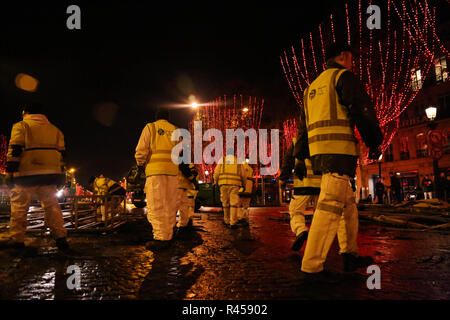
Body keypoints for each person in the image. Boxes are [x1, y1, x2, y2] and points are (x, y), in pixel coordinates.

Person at [293, 42, 384, 276]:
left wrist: (299, 158)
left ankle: (349, 254)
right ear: (343, 56)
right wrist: (374, 141)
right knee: (329, 206)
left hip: (320, 154)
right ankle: (311, 265)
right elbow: (362, 110)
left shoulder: (311, 88)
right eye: (351, 57)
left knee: (348, 206)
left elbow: (302, 128)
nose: (353, 62)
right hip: (340, 152)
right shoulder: (344, 77)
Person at [0, 103, 70, 251]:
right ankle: (61, 239)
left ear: (25, 112)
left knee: (19, 209)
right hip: (49, 177)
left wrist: (10, 173)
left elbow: (15, 150)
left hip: (26, 175)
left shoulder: (21, 126)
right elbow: (63, 156)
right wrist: (61, 174)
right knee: (52, 208)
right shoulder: (55, 130)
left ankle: (17, 241)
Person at [135, 108, 179, 250]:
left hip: (155, 172)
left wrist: (140, 165)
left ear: (157, 117)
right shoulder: (176, 130)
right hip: (172, 172)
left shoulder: (150, 127)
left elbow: (142, 149)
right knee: (170, 205)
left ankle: (160, 238)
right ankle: (168, 235)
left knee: (157, 204)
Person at [279, 137, 321, 251]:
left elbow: (288, 162)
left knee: (295, 211)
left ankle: (301, 230)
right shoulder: (321, 136)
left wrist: (283, 179)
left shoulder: (296, 140)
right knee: (320, 215)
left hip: (303, 183)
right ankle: (316, 243)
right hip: (321, 184)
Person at [213, 150, 247, 229]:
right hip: (235, 184)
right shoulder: (238, 161)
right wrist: (244, 184)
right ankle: (233, 222)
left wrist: (215, 182)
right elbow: (243, 174)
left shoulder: (223, 160)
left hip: (223, 184)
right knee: (234, 204)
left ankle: (226, 220)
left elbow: (216, 172)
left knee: (225, 203)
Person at [176, 161, 199, 232]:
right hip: (183, 185)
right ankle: (183, 225)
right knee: (184, 207)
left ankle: (177, 226)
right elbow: (186, 169)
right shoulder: (188, 162)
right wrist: (193, 180)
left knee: (176, 206)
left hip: (177, 184)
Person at [237, 159, 254, 227]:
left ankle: (240, 218)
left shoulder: (240, 168)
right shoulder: (251, 169)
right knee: (246, 206)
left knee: (239, 205)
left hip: (241, 189)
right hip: (249, 190)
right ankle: (246, 218)